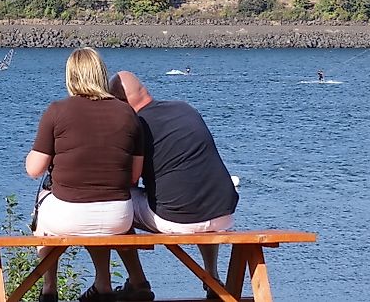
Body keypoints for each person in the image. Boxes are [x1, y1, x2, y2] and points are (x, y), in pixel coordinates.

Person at [108, 72, 239, 301]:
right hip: (223, 214)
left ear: (119, 103)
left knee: (113, 204)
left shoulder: (134, 126)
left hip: (178, 218)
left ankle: (138, 283)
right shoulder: (184, 108)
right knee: (197, 192)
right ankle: (212, 277)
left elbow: (129, 180)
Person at [27, 48, 144, 302]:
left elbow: (34, 170)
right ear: (101, 74)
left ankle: (49, 288)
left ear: (70, 77)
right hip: (118, 218)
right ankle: (104, 282)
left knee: (44, 203)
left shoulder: (57, 111)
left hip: (68, 216)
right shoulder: (128, 113)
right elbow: (135, 176)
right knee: (97, 212)